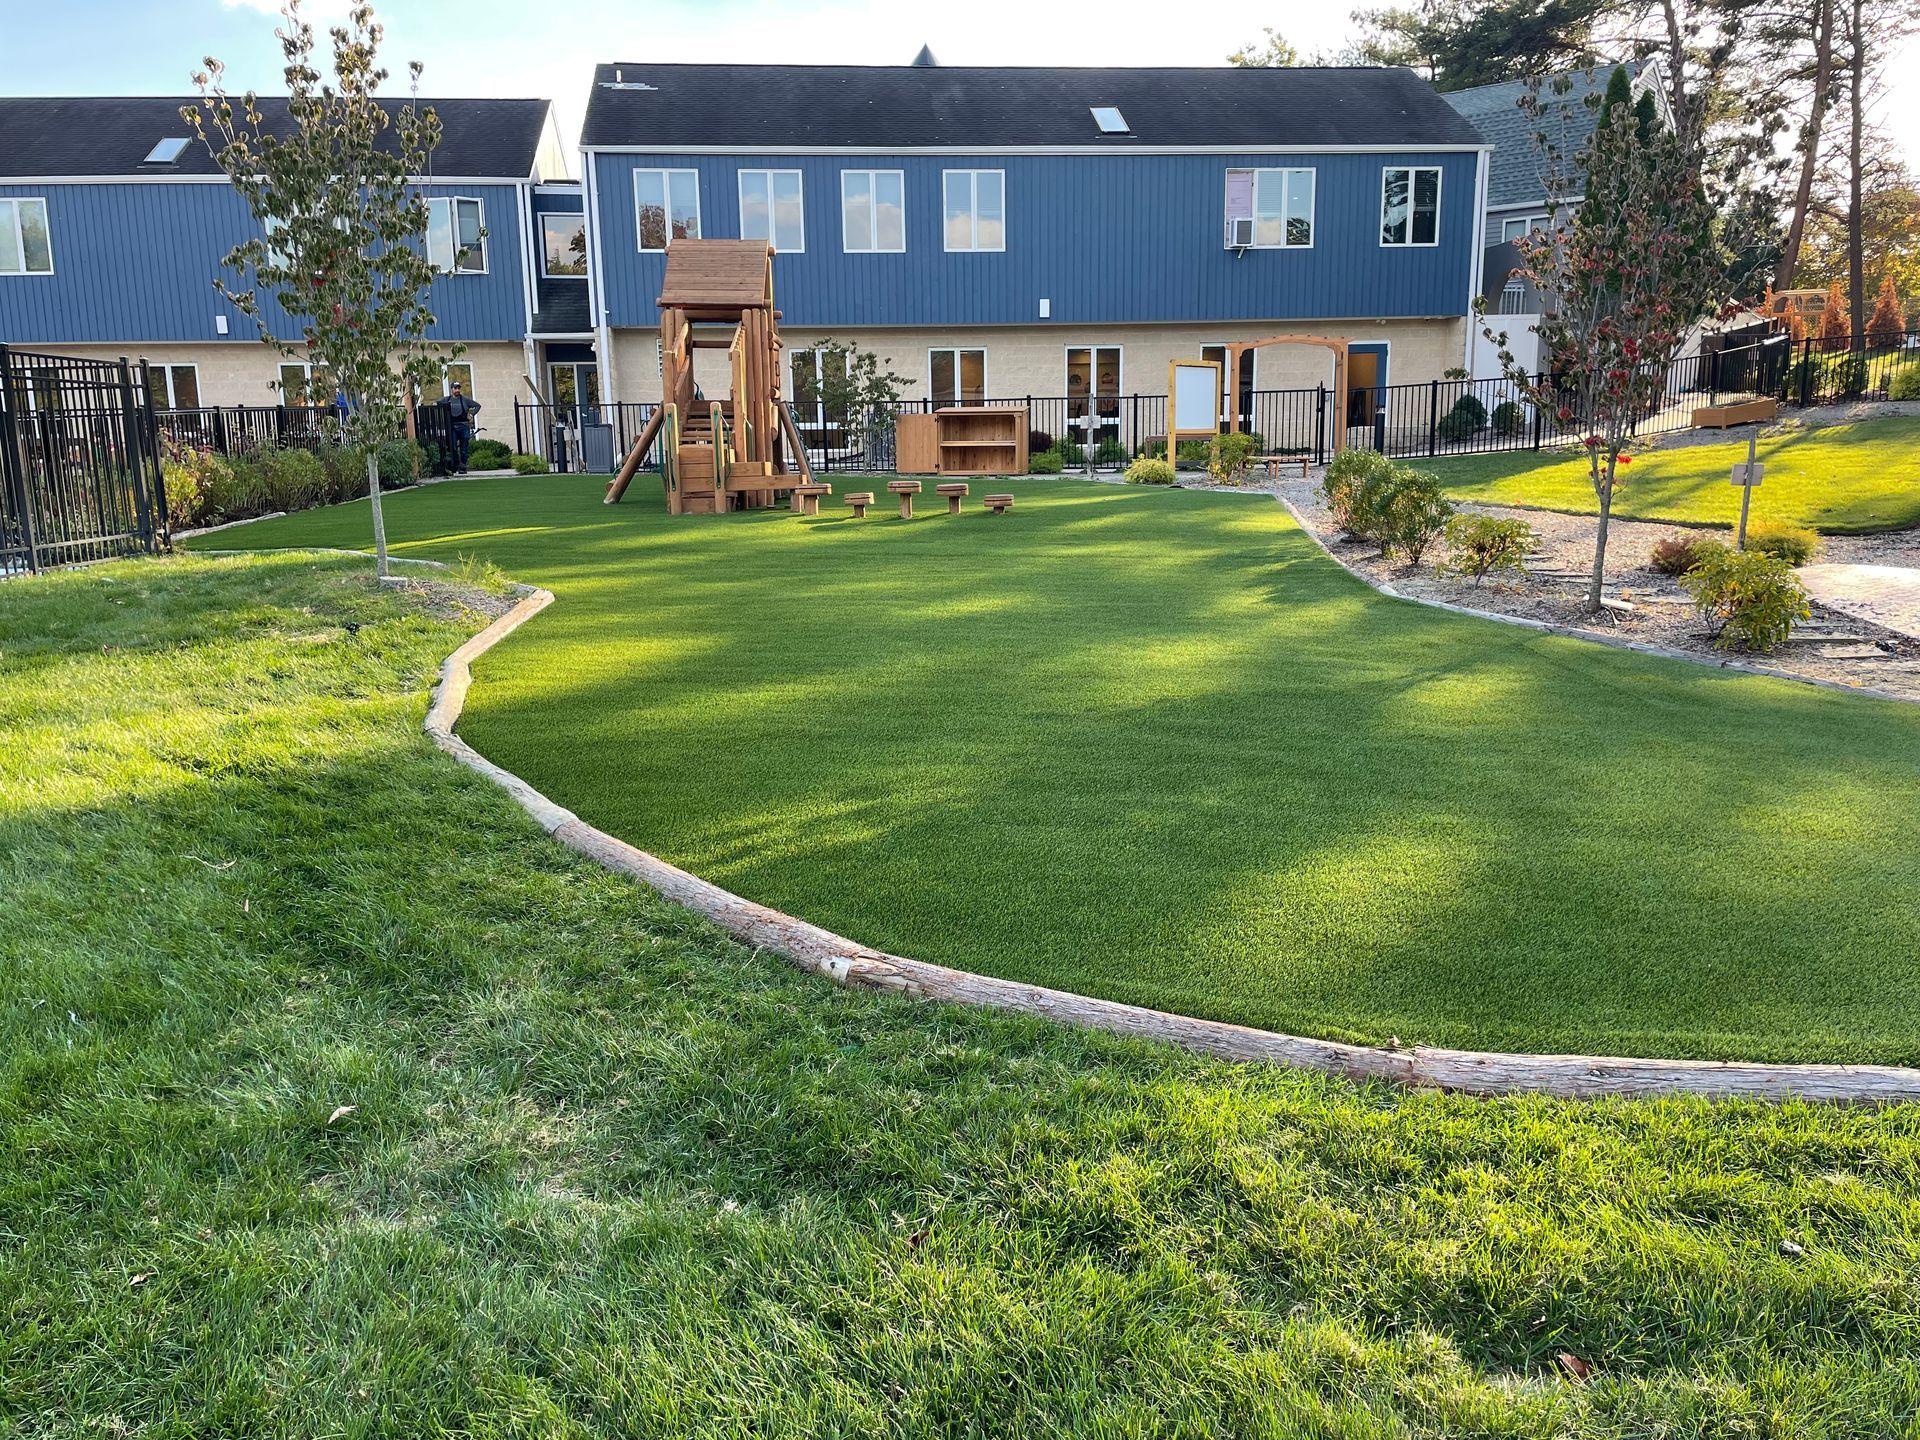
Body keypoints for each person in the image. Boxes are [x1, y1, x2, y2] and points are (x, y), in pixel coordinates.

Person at [446, 381, 482, 473]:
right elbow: (437, 403)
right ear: (452, 389)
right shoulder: (447, 400)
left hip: (464, 426)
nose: (457, 390)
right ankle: (456, 464)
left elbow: (477, 406)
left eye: (458, 388)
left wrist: (471, 414)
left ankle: (463, 466)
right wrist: (435, 403)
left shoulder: (465, 400)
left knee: (464, 447)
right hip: (452, 426)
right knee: (452, 446)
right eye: (455, 388)